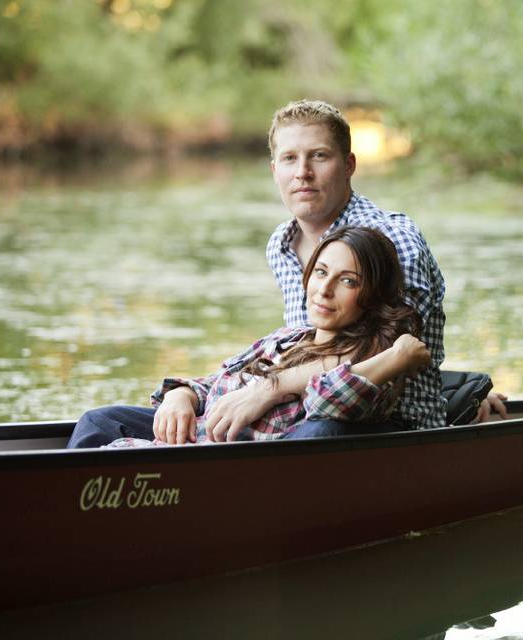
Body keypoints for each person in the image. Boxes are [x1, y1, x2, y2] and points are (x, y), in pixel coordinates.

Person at [205, 99, 506, 441]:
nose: (303, 172)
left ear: (348, 165)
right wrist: (185, 393)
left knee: (314, 433)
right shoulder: (281, 243)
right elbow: (306, 347)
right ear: (275, 171)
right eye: (290, 158)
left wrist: (268, 389)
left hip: (387, 423)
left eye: (319, 156)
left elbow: (390, 351)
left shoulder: (391, 239)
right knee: (139, 420)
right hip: (299, 413)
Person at [67, 227, 431, 448]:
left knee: (323, 431)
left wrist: (397, 356)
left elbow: (327, 404)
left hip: (229, 462)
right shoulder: (287, 336)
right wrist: (182, 395)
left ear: (371, 295)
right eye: (321, 272)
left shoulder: (367, 359)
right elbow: (219, 379)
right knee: (98, 421)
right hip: (197, 432)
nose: (325, 289)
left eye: (348, 281)